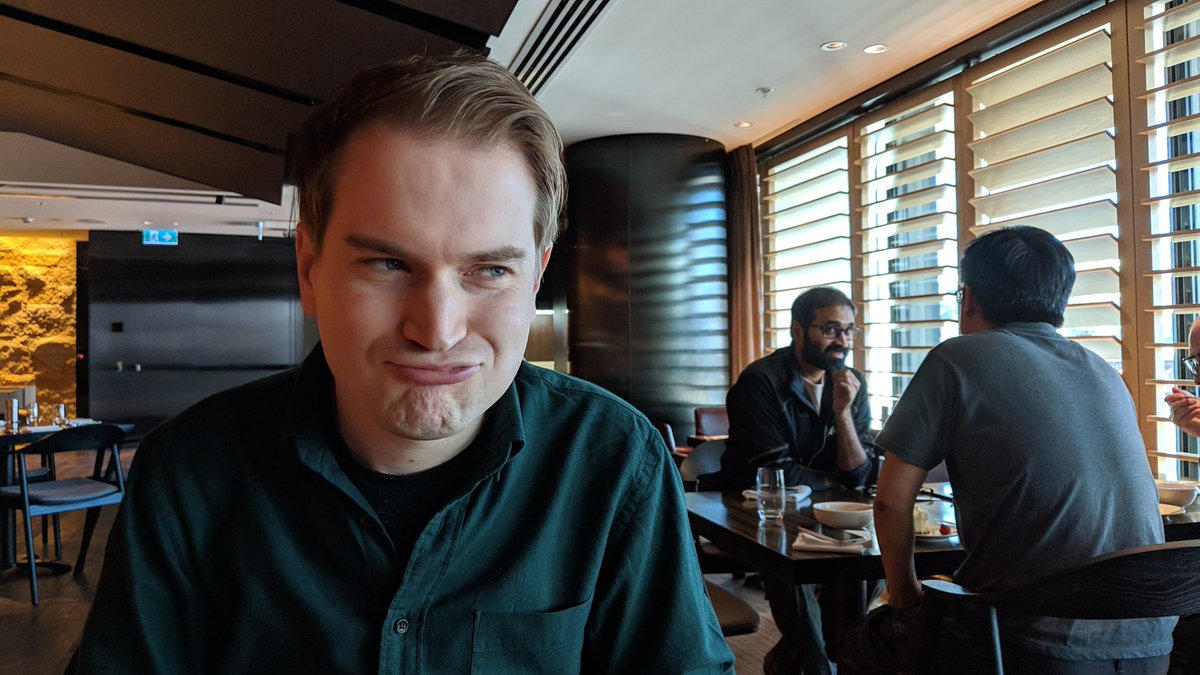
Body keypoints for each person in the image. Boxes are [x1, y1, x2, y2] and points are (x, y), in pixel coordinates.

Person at [70, 53, 734, 673]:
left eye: (490, 270)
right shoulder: (190, 473)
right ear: (310, 268)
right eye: (388, 264)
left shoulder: (614, 461)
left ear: (535, 278)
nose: (437, 330)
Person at [864, 226, 1174, 673]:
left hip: (1030, 643)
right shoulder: (1103, 370)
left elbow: (891, 502)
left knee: (868, 641)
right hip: (1153, 643)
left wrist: (906, 596)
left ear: (969, 297)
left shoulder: (956, 358)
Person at [719, 286, 877, 675]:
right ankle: (816, 666)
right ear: (798, 330)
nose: (843, 341)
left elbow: (859, 473)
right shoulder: (761, 381)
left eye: (849, 330)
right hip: (754, 510)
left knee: (866, 559)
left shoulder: (851, 383)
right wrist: (838, 482)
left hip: (823, 511)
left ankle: (814, 656)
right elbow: (775, 472)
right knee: (786, 562)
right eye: (831, 329)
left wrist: (842, 415)